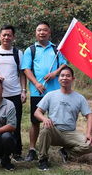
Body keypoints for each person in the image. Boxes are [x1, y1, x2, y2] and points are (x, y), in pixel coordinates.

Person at [21, 21, 67, 162]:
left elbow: (64, 63)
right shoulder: (30, 50)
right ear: (36, 33)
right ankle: (32, 150)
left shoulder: (57, 49)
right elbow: (26, 69)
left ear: (49, 32)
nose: (42, 32)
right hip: (37, 92)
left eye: (45, 30)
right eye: (39, 30)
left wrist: (55, 73)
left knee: (58, 120)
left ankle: (63, 147)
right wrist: (36, 83)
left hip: (56, 91)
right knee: (35, 121)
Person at [34, 66, 92, 170]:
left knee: (90, 145)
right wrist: (44, 119)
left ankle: (66, 153)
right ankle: (43, 159)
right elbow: (37, 112)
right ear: (58, 79)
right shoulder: (50, 95)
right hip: (54, 131)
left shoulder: (79, 98)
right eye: (62, 75)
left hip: (70, 133)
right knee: (45, 129)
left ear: (73, 79)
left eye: (68, 76)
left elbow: (89, 116)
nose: (65, 78)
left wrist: (89, 134)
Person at [0, 25, 26, 161]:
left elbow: (22, 73)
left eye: (9, 35)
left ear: (13, 37)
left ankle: (17, 151)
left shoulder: (18, 53)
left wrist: (24, 91)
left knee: (15, 124)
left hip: (15, 94)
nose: (6, 37)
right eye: (4, 35)